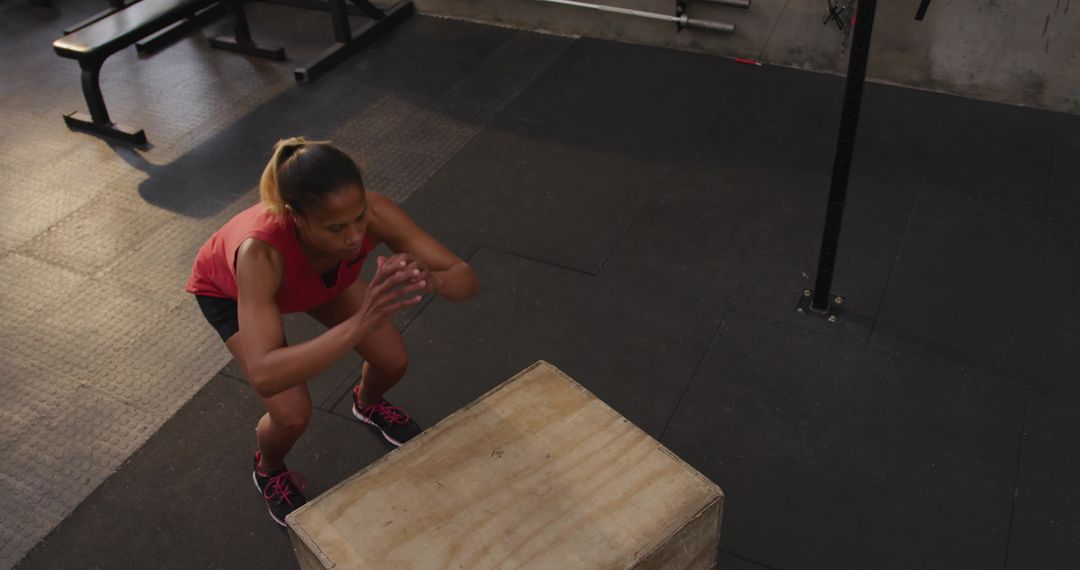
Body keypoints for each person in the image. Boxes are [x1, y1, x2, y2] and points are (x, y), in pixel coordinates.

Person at [186, 137, 479, 527]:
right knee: (290, 415)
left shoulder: (374, 213)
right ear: (296, 217)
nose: (355, 236)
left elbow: (464, 278)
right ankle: (268, 469)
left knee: (393, 360)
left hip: (318, 277)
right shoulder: (260, 253)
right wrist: (360, 323)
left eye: (359, 218)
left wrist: (432, 281)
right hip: (232, 291)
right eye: (336, 227)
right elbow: (265, 374)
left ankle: (367, 402)